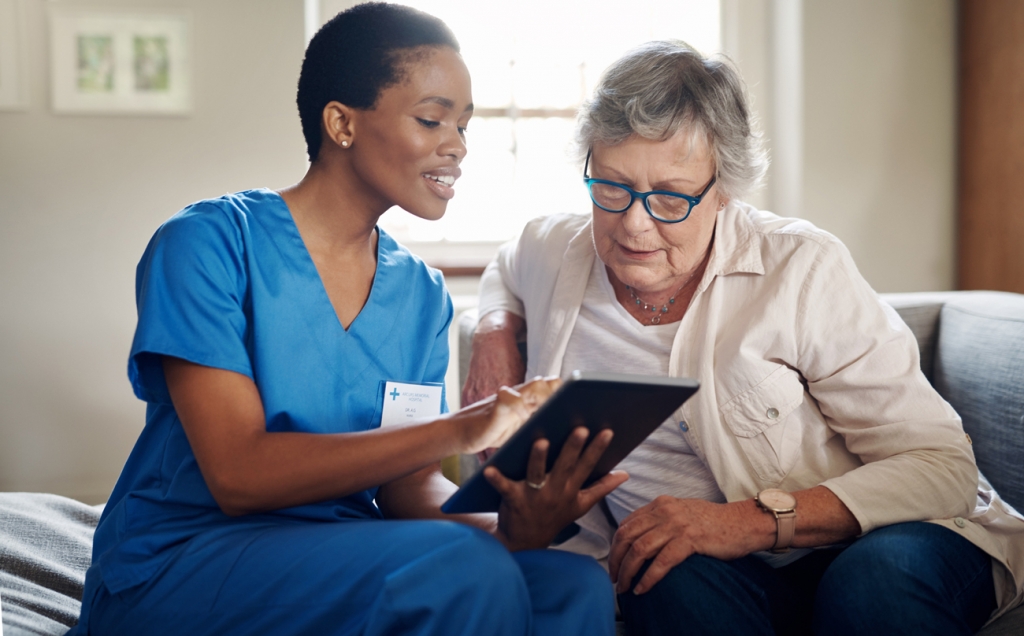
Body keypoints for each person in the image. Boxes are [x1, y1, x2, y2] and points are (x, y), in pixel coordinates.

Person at [68, 4, 627, 635]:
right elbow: (237, 474)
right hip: (183, 560)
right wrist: (467, 427)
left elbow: (409, 488)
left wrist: (509, 527)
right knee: (463, 568)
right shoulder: (207, 245)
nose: (458, 147)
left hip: (343, 552)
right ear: (341, 123)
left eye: (464, 126)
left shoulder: (420, 294)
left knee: (573, 584)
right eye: (432, 119)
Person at [464, 40, 1024, 635]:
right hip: (727, 575)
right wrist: (495, 330)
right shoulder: (555, 249)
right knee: (653, 570)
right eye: (611, 187)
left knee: (867, 584)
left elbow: (942, 468)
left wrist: (745, 521)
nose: (633, 223)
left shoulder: (800, 268)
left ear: (723, 188)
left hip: (882, 542)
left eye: (670, 198)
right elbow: (508, 265)